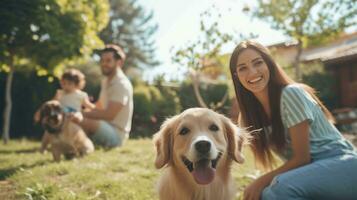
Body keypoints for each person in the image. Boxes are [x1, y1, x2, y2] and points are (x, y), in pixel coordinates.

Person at [229, 40, 357, 200]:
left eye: (258, 63)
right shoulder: (248, 117)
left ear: (269, 64)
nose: (253, 72)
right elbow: (232, 152)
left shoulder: (291, 94)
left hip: (342, 164)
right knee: (265, 194)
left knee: (278, 189)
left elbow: (303, 158)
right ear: (236, 76)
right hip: (311, 175)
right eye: (243, 68)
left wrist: (260, 181)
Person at [70, 44, 133, 148]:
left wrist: (82, 114)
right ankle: (73, 144)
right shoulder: (106, 81)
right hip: (105, 126)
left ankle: (77, 146)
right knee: (76, 118)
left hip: (117, 135)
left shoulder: (121, 84)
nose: (104, 64)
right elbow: (99, 106)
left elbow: (109, 115)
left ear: (119, 63)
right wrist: (80, 109)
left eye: (108, 60)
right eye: (102, 60)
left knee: (81, 119)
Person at [35, 68, 95, 152]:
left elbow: (88, 105)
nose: (66, 86)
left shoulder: (81, 95)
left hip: (73, 117)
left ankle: (76, 148)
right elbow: (52, 103)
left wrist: (97, 108)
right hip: (60, 117)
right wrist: (40, 112)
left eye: (69, 84)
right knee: (49, 131)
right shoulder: (60, 93)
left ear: (77, 84)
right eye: (64, 84)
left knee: (77, 121)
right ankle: (43, 147)